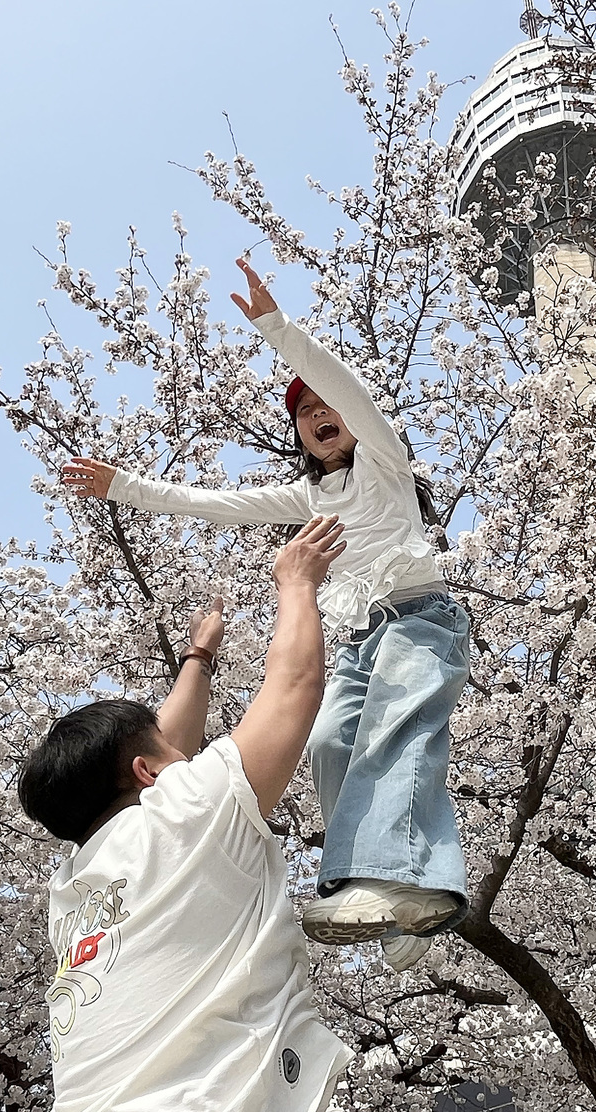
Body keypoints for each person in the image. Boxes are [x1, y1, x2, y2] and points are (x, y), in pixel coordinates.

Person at [12, 516, 359, 1112]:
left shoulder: (79, 887)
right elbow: (293, 693)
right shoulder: (186, 813)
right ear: (149, 775)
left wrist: (199, 658)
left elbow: (170, 751)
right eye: (170, 754)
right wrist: (297, 580)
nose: (187, 753)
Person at [62, 257, 469, 974]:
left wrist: (278, 330)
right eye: (304, 413)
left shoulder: (384, 463)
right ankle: (369, 886)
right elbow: (215, 503)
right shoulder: (309, 498)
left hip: (417, 615)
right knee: (331, 745)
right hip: (358, 637)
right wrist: (121, 485)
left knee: (398, 729)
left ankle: (409, 879)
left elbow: (350, 390)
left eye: (325, 406)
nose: (318, 414)